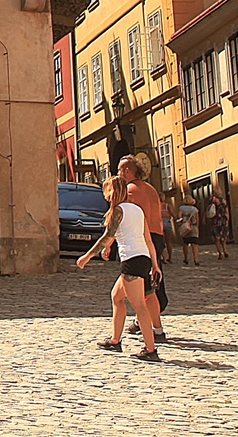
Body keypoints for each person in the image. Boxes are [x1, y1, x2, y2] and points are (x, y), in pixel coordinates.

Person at [76, 174, 161, 362]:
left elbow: (107, 235)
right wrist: (154, 264)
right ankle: (115, 341)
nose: (105, 196)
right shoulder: (137, 210)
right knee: (116, 296)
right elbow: (147, 238)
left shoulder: (118, 211)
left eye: (106, 192)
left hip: (131, 259)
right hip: (143, 258)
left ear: (112, 192)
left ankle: (151, 349)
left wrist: (87, 256)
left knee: (140, 306)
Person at [117, 155, 168, 343]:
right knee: (149, 287)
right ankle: (149, 325)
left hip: (142, 240)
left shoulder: (131, 190)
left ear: (128, 171)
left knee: (147, 290)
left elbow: (130, 218)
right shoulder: (151, 189)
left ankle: (155, 330)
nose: (118, 173)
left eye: (120, 170)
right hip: (157, 237)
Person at [176, 194, 201, 266]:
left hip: (185, 227)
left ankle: (186, 258)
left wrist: (181, 222)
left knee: (185, 243)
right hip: (193, 227)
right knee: (195, 244)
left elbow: (179, 216)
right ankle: (196, 259)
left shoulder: (181, 208)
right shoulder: (195, 209)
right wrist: (197, 227)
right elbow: (197, 219)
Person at [208, 189, 231, 259]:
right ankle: (225, 251)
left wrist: (205, 217)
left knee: (217, 238)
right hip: (223, 220)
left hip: (215, 220)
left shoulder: (212, 200)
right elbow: (227, 210)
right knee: (223, 237)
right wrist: (227, 220)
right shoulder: (223, 200)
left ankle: (220, 253)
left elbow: (208, 210)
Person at [160, 198, 175, 263]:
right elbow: (173, 214)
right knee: (168, 241)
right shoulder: (167, 206)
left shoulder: (157, 205)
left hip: (160, 222)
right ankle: (170, 258)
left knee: (161, 242)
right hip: (167, 222)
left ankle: (164, 258)